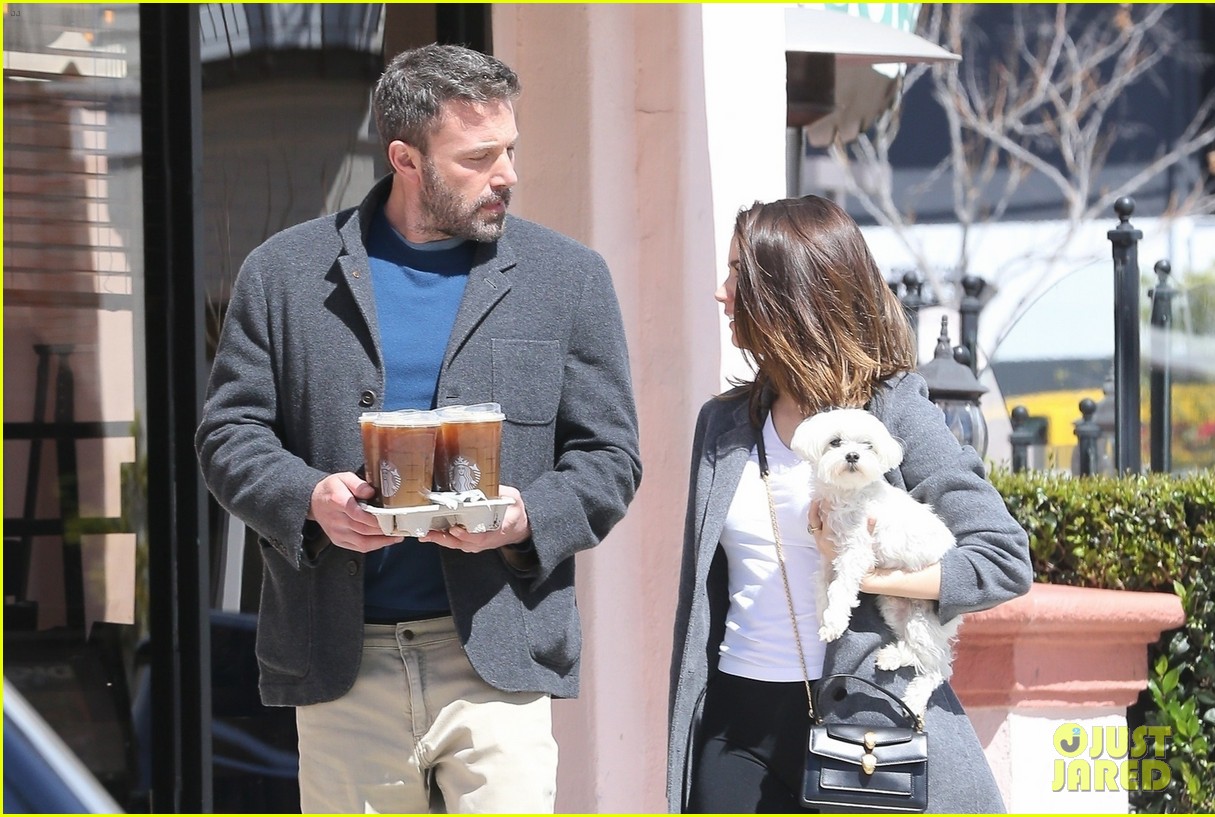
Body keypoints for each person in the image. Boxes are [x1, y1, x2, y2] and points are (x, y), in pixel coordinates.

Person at [196, 43, 641, 813]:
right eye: (478, 157)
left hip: (498, 655)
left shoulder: (567, 278)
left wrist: (524, 515)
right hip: (343, 661)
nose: (507, 174)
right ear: (405, 158)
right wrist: (311, 500)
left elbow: (610, 456)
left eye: (509, 149)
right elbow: (229, 435)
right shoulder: (283, 274)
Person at [666, 195, 1032, 813]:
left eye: (736, 274)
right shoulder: (724, 425)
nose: (720, 292)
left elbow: (1003, 558)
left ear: (785, 292)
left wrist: (867, 573)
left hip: (864, 728)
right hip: (735, 723)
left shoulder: (891, 410)